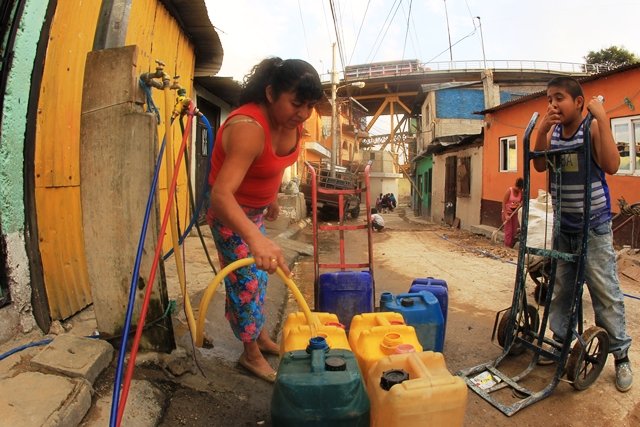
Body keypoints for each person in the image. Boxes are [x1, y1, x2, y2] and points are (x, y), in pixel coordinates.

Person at [206, 57, 324, 383]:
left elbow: (270, 163)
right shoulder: (248, 128)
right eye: (296, 103)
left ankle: (258, 336)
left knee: (259, 280)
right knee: (245, 283)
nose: (302, 113)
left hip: (255, 210)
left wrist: (269, 195)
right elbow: (220, 195)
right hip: (230, 213)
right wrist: (256, 238)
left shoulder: (291, 123)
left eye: (310, 106)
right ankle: (250, 354)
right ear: (271, 93)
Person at [533, 76, 632, 392]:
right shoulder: (556, 133)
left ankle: (621, 357)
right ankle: (560, 343)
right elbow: (538, 167)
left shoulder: (590, 126)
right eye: (549, 99)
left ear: (578, 102)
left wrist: (602, 118)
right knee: (562, 287)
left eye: (559, 98)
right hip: (565, 226)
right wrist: (541, 129)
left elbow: (612, 165)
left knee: (605, 293)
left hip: (594, 225)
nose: (552, 105)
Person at [501, 178, 523, 247]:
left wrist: (521, 204)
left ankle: (510, 245)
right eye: (518, 188)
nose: (518, 190)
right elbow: (503, 203)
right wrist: (506, 215)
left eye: (520, 189)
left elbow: (521, 202)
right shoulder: (509, 191)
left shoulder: (521, 193)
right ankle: (507, 246)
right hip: (507, 213)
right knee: (509, 232)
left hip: (515, 213)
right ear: (515, 185)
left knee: (513, 232)